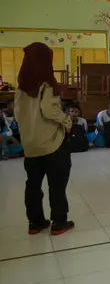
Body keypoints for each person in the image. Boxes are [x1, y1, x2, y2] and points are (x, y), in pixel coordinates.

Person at [14, 42, 74, 235]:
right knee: (56, 183)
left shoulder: (20, 87)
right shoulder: (47, 83)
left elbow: (17, 113)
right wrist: (66, 120)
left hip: (30, 144)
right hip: (51, 141)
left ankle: (36, 222)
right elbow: (48, 110)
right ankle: (59, 222)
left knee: (33, 184)